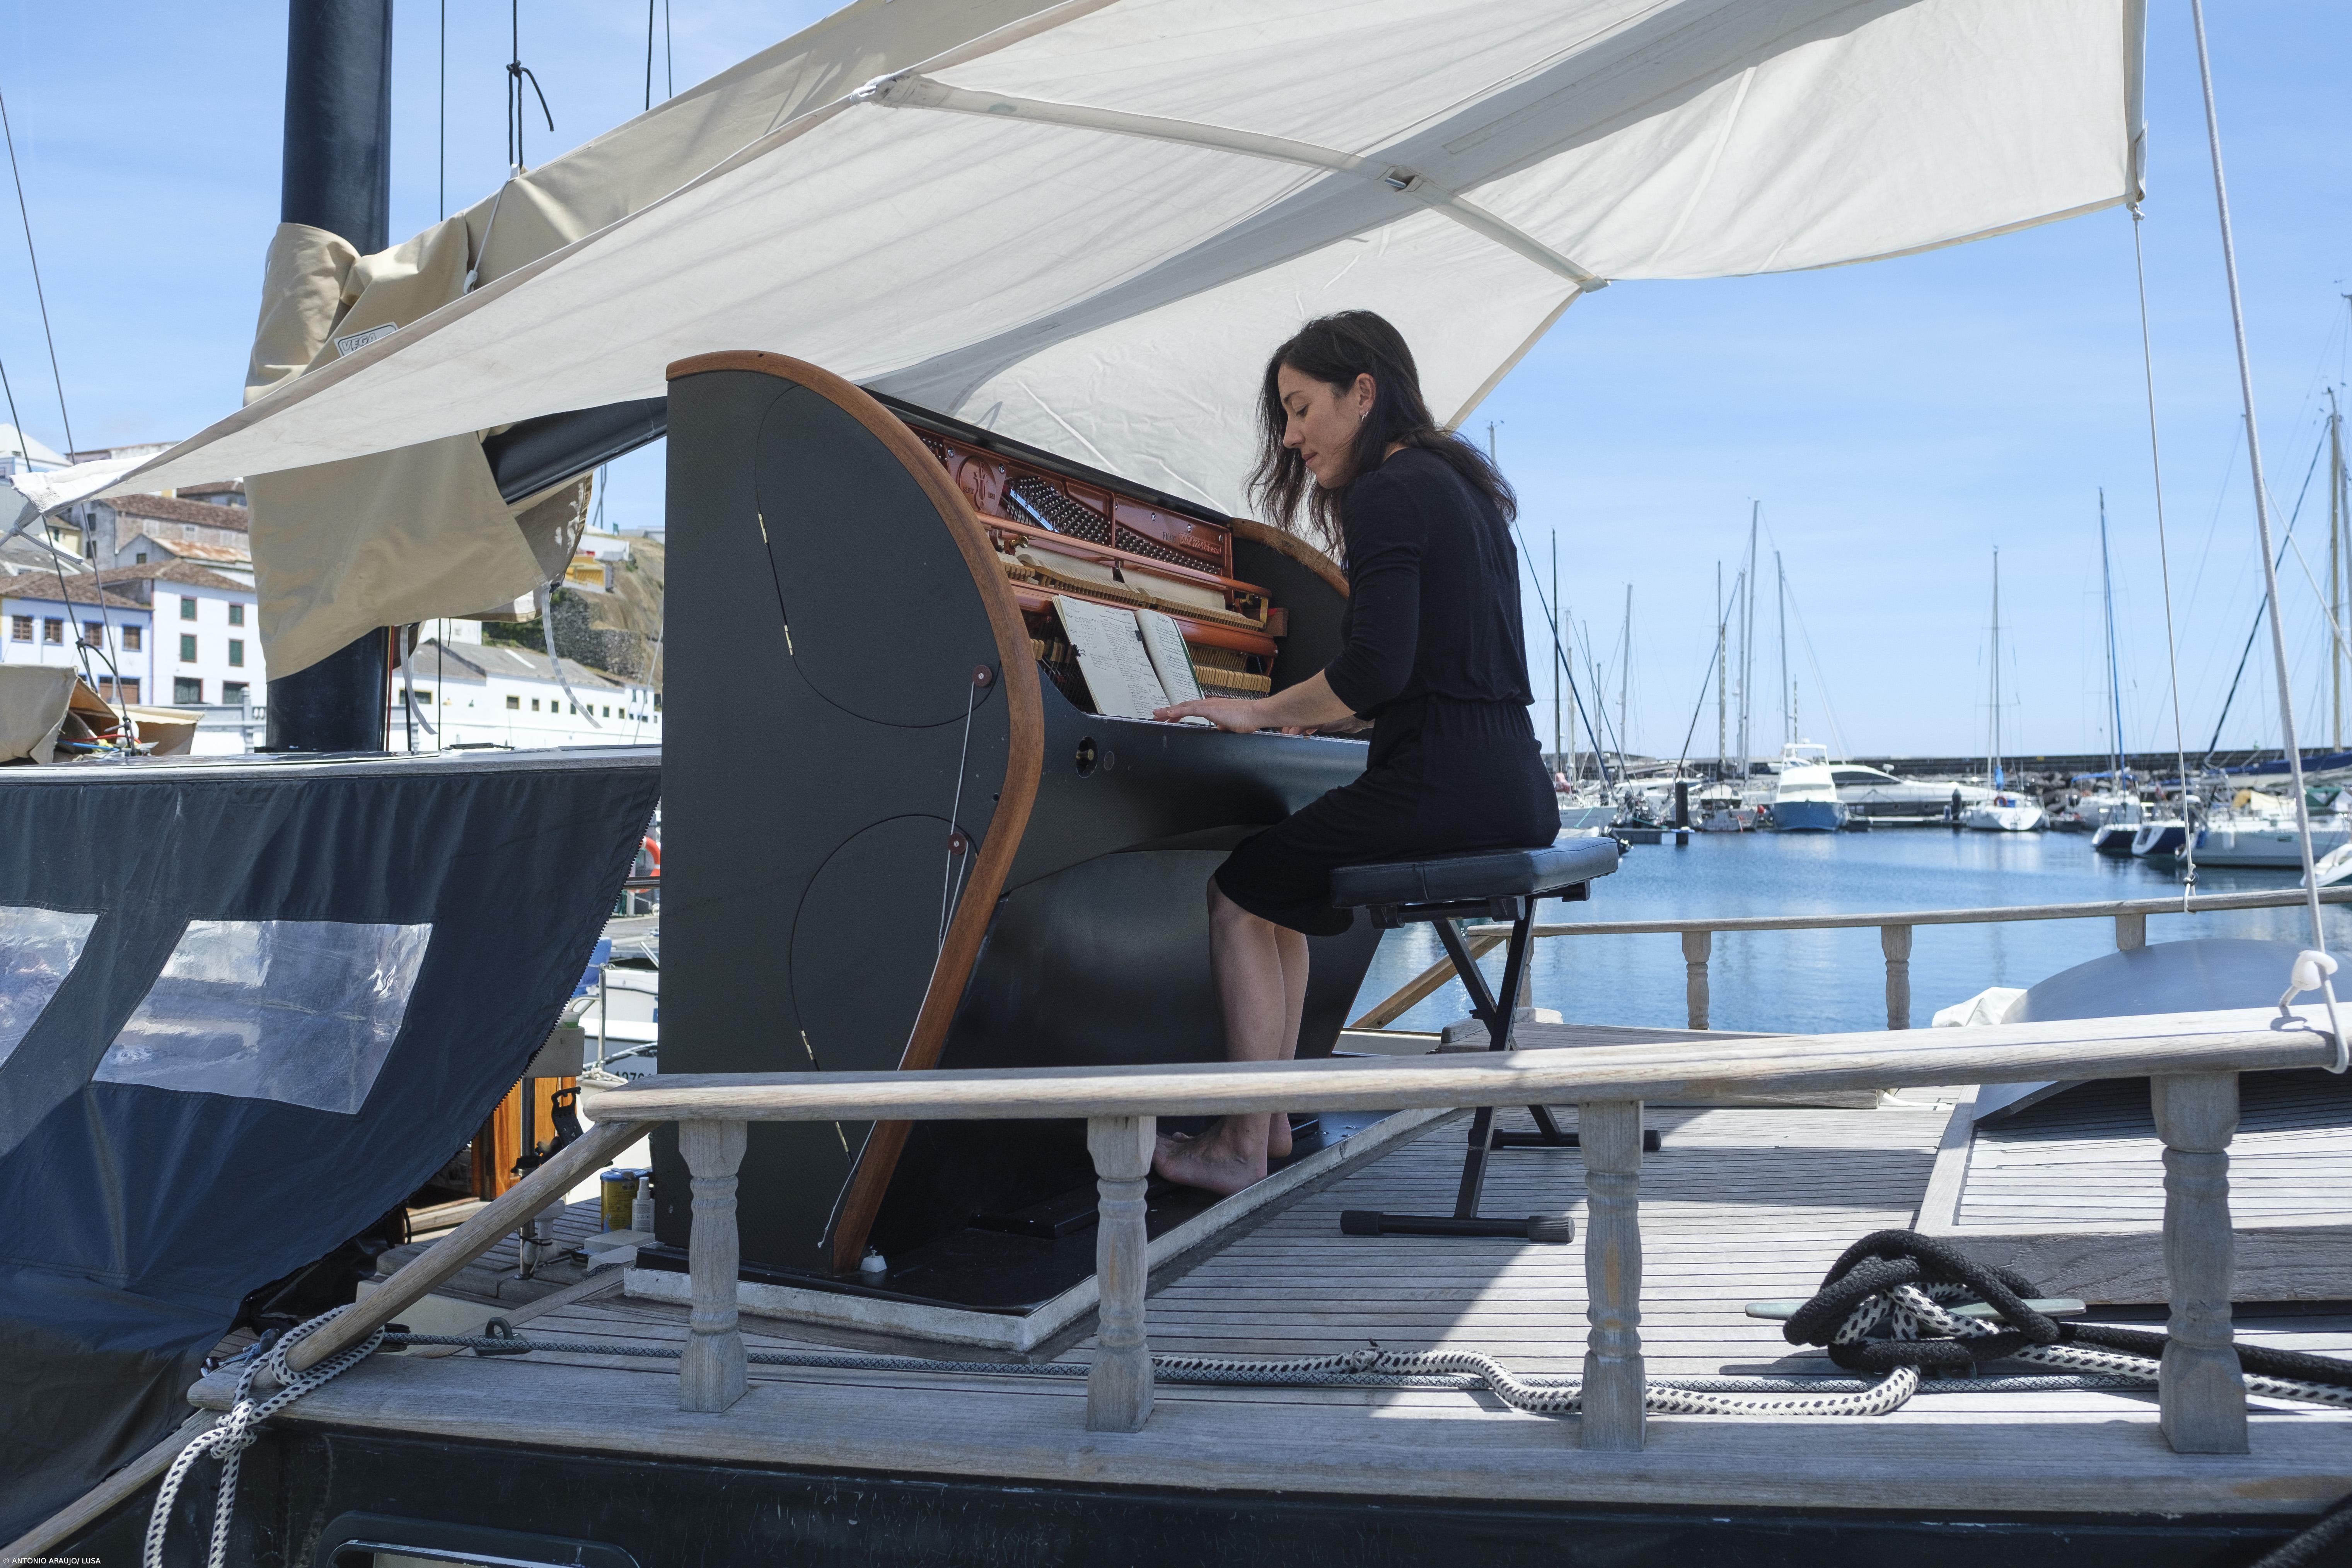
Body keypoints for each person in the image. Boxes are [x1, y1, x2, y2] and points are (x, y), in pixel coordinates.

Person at [1150, 311, 1560, 1195]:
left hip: (1444, 784)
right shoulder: (1461, 488)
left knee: (1235, 892)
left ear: (1362, 393)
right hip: (1512, 781)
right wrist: (1317, 716)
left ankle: (1234, 1147)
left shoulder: (1389, 491)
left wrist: (1257, 713)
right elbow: (1424, 670)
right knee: (1276, 894)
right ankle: (1268, 1134)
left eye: (1301, 410)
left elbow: (1374, 671)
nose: (1292, 437)